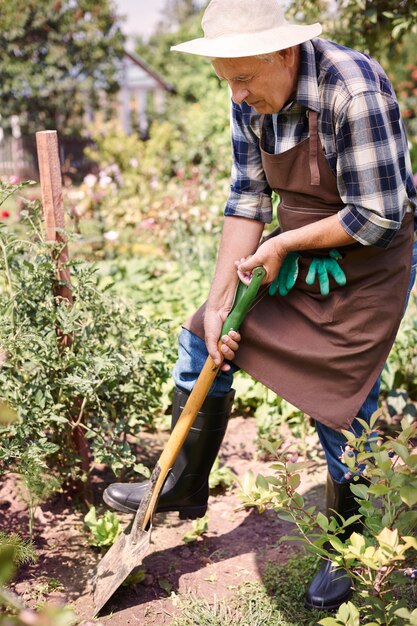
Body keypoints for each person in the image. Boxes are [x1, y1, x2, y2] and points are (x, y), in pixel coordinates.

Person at [103, 0, 417, 612]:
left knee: (345, 404)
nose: (238, 93)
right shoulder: (247, 89)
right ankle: (182, 485)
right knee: (201, 336)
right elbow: (247, 197)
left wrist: (284, 242)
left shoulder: (352, 87)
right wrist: (219, 302)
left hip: (367, 260)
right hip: (292, 251)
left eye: (244, 78)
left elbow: (381, 213)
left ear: (282, 51)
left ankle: (344, 546)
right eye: (228, 80)